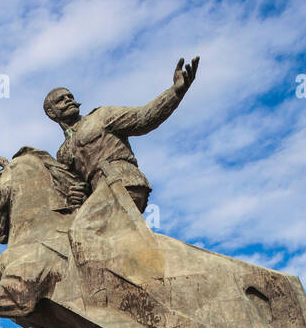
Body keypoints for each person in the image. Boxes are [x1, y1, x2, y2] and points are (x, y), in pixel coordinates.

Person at [44, 55, 199, 212]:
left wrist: (175, 91)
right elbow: (76, 185)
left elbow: (143, 117)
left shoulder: (101, 116)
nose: (69, 100)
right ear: (51, 113)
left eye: (70, 97)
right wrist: (76, 195)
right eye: (61, 100)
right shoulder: (63, 153)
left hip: (123, 182)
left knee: (82, 229)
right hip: (98, 194)